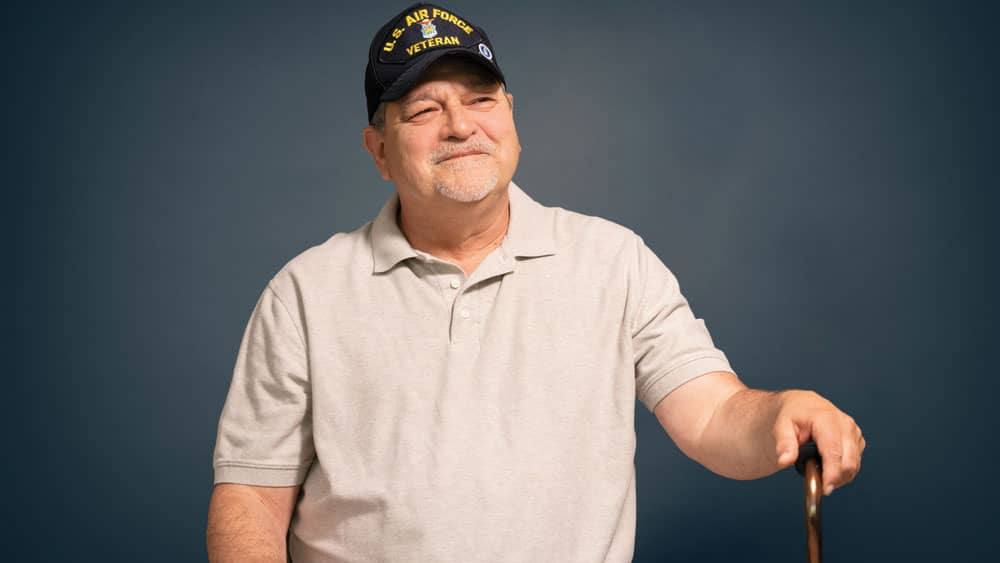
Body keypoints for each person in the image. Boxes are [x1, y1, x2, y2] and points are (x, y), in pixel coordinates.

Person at [206, 3, 865, 562]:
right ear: (379, 150)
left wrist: (780, 412)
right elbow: (251, 502)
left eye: (480, 99)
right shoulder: (305, 293)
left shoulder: (615, 262)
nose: (461, 125)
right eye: (425, 109)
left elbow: (716, 416)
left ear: (511, 118)